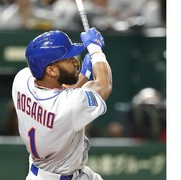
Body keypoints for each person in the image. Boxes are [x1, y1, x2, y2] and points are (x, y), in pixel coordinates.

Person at [11, 27, 112, 180]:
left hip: (45, 173)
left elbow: (58, 92)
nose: (75, 62)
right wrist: (96, 50)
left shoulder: (22, 79)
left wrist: (84, 75)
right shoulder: (69, 106)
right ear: (51, 70)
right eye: (68, 59)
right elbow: (104, 86)